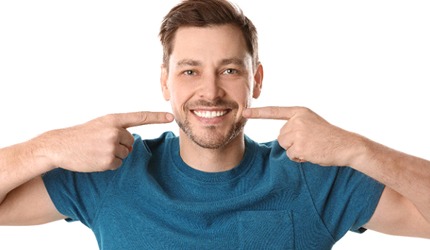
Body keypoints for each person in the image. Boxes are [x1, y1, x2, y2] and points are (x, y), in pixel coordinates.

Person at [0, 0, 429, 249]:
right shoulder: (112, 173)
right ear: (163, 81)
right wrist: (50, 147)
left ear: (255, 80)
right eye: (189, 71)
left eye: (229, 71)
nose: (210, 92)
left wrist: (357, 149)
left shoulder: (312, 177)